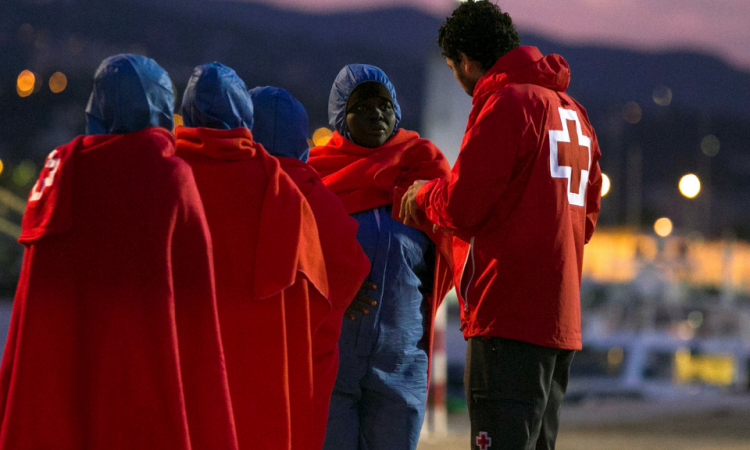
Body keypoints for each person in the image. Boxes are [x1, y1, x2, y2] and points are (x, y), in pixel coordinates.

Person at [0, 54, 238, 450]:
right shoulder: (171, 179)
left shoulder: (57, 175)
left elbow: (29, 309)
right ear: (160, 105)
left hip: (58, 395)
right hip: (144, 394)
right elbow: (197, 320)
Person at [400, 1, 603, 449]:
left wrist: (421, 195)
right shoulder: (575, 114)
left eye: (455, 68)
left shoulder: (507, 105)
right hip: (560, 322)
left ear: (467, 63)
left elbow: (463, 204)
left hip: (507, 316)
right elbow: (585, 221)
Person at [175, 63, 330, 450]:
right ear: (245, 115)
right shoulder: (283, 193)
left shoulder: (162, 182)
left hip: (182, 392)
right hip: (260, 399)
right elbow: (318, 304)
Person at [309, 64, 454, 450]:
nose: (377, 114)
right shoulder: (315, 176)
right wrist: (337, 289)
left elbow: (450, 246)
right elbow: (297, 253)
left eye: (384, 104)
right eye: (362, 106)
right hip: (332, 355)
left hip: (400, 354)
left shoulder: (424, 167)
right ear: (341, 115)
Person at [249, 85, 372, 450]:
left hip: (238, 367)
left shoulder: (233, 189)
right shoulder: (324, 203)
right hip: (306, 371)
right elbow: (351, 270)